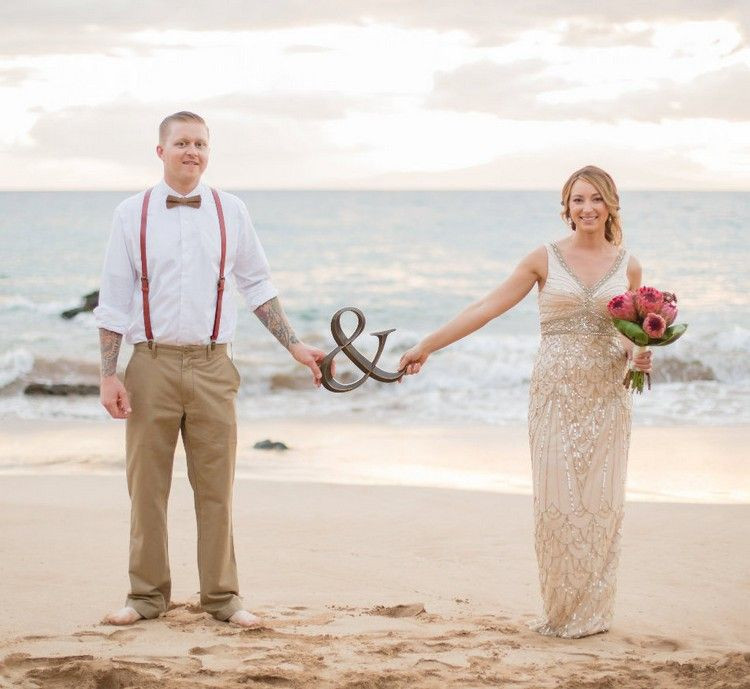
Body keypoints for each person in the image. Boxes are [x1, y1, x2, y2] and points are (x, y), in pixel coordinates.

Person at [94, 111, 326, 628]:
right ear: (161, 151)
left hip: (213, 365)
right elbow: (113, 300)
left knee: (216, 488)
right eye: (181, 143)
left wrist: (294, 346)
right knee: (147, 488)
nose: (191, 151)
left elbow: (258, 287)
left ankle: (223, 598)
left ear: (207, 151)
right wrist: (110, 374)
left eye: (199, 143)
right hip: (149, 363)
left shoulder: (231, 211)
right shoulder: (130, 214)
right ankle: (146, 596)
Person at [399, 165, 652, 638]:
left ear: (611, 204)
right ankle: (560, 612)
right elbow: (485, 307)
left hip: (607, 394)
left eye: (596, 199)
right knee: (557, 502)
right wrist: (427, 345)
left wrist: (638, 353)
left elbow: (627, 334)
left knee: (601, 501)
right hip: (555, 392)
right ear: (566, 207)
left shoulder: (628, 265)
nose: (587, 208)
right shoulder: (544, 259)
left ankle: (593, 614)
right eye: (578, 199)